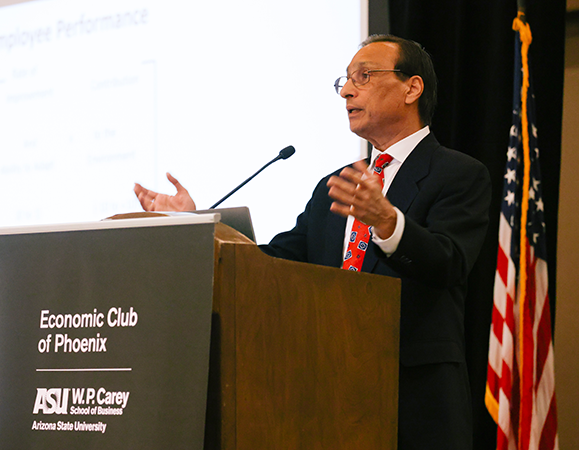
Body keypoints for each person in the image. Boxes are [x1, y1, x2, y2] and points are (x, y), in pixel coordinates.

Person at [134, 34, 490, 450]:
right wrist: (193, 226)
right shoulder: (334, 186)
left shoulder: (458, 174)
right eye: (345, 81)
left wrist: (389, 222)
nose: (347, 91)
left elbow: (449, 262)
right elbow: (276, 261)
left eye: (364, 76)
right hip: (326, 399)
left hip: (413, 402)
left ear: (412, 87)